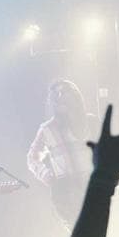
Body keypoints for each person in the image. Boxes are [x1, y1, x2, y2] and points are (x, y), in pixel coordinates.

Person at [27, 80, 92, 221]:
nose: (60, 97)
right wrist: (48, 176)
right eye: (56, 96)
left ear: (75, 97)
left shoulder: (91, 122)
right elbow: (32, 158)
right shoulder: (47, 129)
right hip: (66, 194)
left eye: (64, 93)